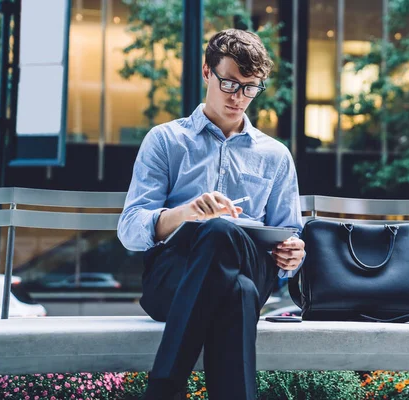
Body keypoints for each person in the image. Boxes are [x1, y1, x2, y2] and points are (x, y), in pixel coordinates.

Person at [117, 28, 305, 400]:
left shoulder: (275, 155)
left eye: (251, 88)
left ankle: (165, 387)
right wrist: (185, 214)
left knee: (223, 237)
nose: (240, 98)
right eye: (230, 84)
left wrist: (293, 255)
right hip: (173, 278)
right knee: (236, 287)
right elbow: (129, 229)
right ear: (207, 72)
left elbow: (290, 235)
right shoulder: (166, 140)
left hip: (252, 267)